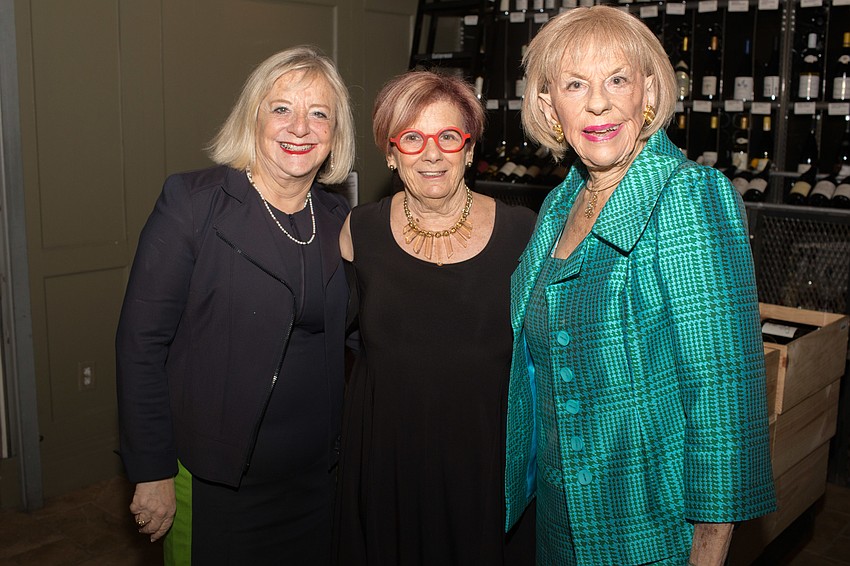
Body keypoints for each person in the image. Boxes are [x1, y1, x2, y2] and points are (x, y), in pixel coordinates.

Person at [504, 7, 776, 565]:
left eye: (617, 79)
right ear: (548, 103)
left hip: (649, 533)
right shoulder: (559, 203)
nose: (597, 102)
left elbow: (724, 398)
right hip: (558, 522)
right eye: (575, 84)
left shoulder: (688, 197)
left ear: (648, 92)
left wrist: (708, 552)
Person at [115, 45, 355, 565]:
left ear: (336, 135)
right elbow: (141, 344)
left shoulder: (340, 220)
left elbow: (366, 331)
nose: (301, 127)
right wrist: (151, 468)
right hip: (217, 480)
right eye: (282, 108)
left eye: (320, 114)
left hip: (317, 479)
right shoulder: (192, 204)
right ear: (253, 118)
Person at [334, 71, 537, 565]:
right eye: (412, 137)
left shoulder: (523, 232)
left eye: (448, 136)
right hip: (390, 458)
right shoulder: (358, 231)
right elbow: (339, 340)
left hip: (487, 458)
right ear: (391, 152)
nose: (431, 153)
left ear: (469, 150)